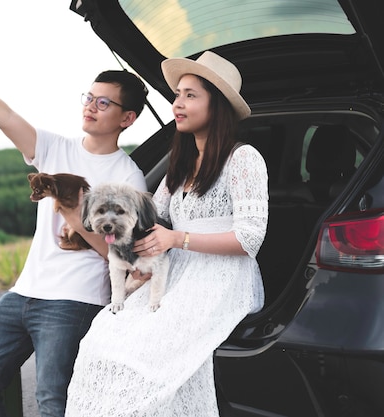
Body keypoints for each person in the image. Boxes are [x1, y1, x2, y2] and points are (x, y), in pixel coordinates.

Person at [0, 48, 149, 417]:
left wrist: (77, 220)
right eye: (88, 98)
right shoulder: (55, 148)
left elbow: (121, 257)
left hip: (75, 301)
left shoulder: (127, 177)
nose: (90, 106)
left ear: (127, 118)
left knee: (52, 400)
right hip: (24, 291)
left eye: (103, 103)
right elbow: (5, 116)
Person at [65, 51, 268, 416]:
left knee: (151, 356)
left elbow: (249, 240)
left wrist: (178, 239)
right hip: (177, 273)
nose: (178, 103)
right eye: (177, 94)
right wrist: (93, 212)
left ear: (216, 105)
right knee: (102, 341)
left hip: (223, 278)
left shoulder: (244, 159)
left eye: (191, 95)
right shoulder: (182, 164)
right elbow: (150, 215)